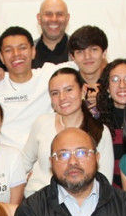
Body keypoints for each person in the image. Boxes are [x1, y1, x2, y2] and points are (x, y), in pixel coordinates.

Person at [22, 67, 114, 197]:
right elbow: (24, 163)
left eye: (68, 90)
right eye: (55, 93)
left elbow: (104, 182)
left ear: (83, 90)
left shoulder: (100, 131)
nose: (62, 98)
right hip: (37, 200)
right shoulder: (42, 122)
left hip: (80, 204)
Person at [67, 25, 108, 116]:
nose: (87, 57)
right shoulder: (68, 86)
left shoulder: (115, 84)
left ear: (104, 53)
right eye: (80, 52)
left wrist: (105, 100)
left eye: (93, 50)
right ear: (73, 57)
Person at [33, 0, 70, 67]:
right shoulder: (26, 53)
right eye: (48, 14)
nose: (54, 19)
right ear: (39, 18)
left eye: (59, 14)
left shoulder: (79, 51)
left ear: (67, 18)